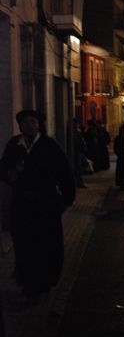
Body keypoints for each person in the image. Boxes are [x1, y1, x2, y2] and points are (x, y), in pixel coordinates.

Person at [0, 110, 75, 302]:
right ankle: (27, 283)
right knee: (24, 245)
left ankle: (44, 282)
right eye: (25, 122)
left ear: (38, 125)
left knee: (45, 245)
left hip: (45, 206)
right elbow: (3, 168)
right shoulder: (14, 145)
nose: (29, 126)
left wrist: (66, 199)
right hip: (22, 206)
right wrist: (9, 174)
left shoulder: (49, 146)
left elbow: (64, 172)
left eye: (32, 122)